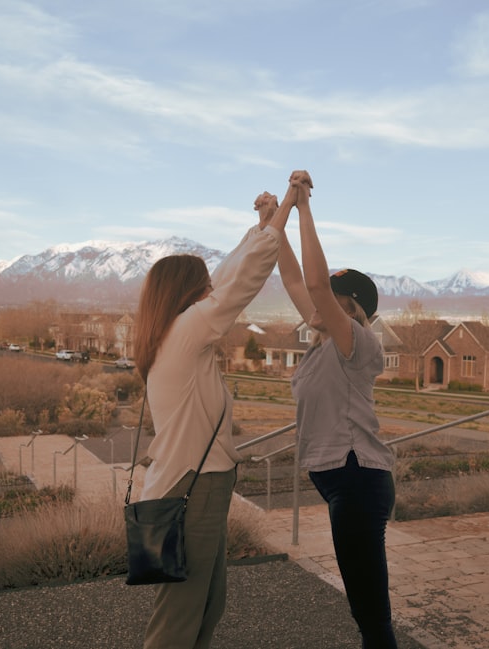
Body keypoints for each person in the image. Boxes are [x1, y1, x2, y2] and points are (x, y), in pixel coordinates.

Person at [132, 174, 301, 649]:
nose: (211, 289)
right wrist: (286, 207)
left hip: (190, 483)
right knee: (181, 616)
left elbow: (227, 278)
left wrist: (262, 225)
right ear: (187, 293)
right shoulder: (187, 330)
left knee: (206, 603)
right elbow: (240, 283)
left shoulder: (175, 332)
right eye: (202, 285)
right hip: (194, 486)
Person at [277, 172, 399, 648]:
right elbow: (292, 276)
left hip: (358, 483)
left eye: (327, 295)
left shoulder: (355, 342)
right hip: (341, 485)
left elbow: (309, 281)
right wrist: (275, 219)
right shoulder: (322, 346)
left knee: (371, 615)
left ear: (348, 308)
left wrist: (304, 207)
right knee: (365, 610)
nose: (312, 298)